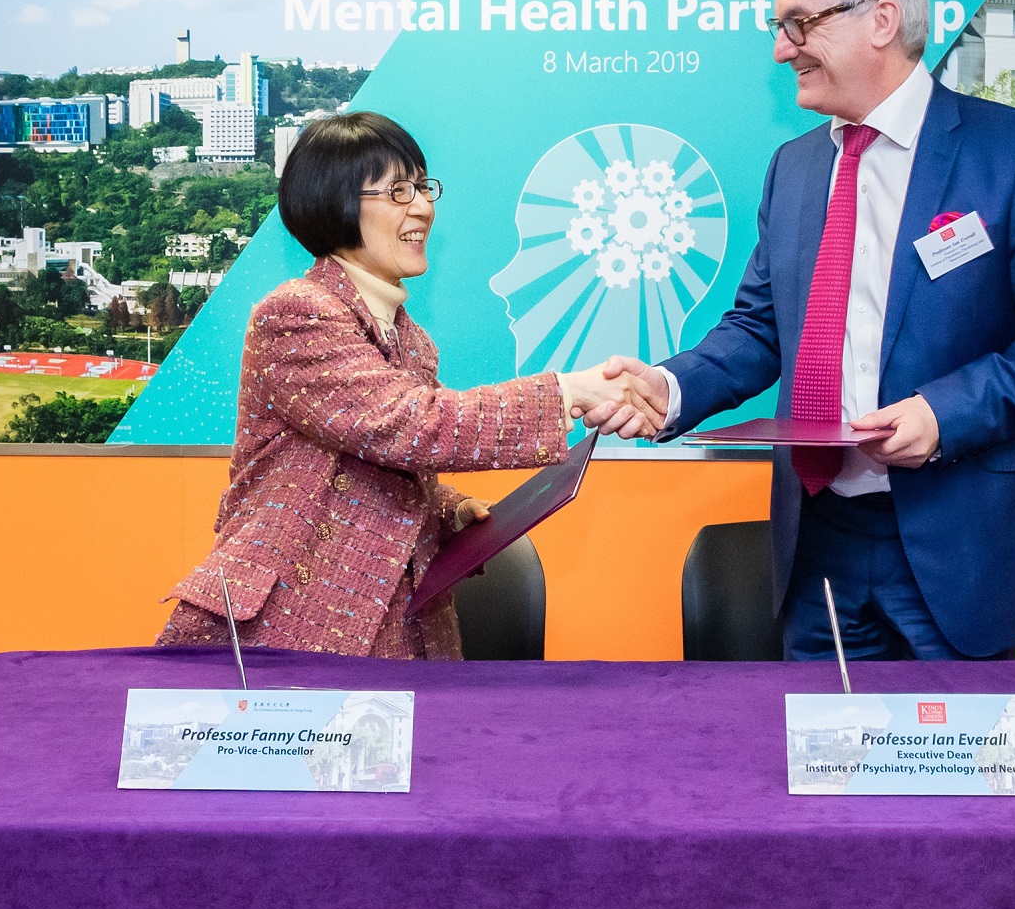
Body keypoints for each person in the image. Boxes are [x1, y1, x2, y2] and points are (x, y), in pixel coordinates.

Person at [586, 0, 1015, 662]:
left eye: (800, 23)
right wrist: (669, 387)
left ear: (882, 17)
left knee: (958, 773)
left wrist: (946, 411)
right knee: (825, 768)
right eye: (780, 27)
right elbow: (760, 329)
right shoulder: (795, 167)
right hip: (819, 544)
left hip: (961, 542)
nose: (783, 48)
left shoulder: (1014, 151)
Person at [157, 112, 652, 658]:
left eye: (422, 186)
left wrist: (448, 509)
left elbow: (382, 467)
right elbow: (407, 424)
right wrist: (567, 392)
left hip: (400, 629)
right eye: (398, 191)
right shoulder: (297, 313)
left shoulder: (410, 340)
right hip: (290, 626)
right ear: (335, 201)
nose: (422, 206)